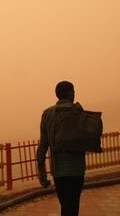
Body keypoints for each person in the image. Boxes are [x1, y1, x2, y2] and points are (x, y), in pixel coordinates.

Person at [37, 81, 86, 216]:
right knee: (72, 206)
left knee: (65, 205)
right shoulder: (77, 110)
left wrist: (42, 174)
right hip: (77, 169)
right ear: (69, 93)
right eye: (73, 91)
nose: (75, 94)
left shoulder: (47, 114)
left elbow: (42, 146)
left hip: (58, 171)